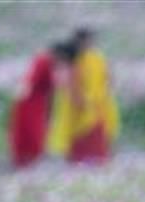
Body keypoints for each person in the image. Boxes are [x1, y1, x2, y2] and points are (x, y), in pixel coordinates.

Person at [47, 27, 120, 164]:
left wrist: (104, 93)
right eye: (85, 41)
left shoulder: (98, 58)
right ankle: (78, 165)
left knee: (98, 135)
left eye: (90, 40)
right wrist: (78, 98)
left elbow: (108, 78)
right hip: (77, 105)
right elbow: (65, 81)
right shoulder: (73, 58)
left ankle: (98, 163)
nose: (88, 44)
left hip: (98, 104)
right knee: (78, 136)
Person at [9, 40, 75, 169]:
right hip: (31, 101)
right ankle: (26, 162)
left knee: (36, 131)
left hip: (39, 101)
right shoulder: (44, 60)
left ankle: (27, 161)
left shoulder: (50, 63)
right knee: (32, 132)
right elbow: (32, 78)